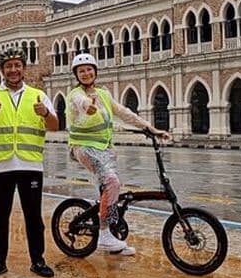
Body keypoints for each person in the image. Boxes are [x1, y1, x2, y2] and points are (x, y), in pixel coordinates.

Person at [67, 53, 170, 255]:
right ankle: (104, 235)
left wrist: (150, 128)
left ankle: (112, 235)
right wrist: (89, 106)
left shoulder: (104, 94)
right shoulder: (75, 95)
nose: (86, 73)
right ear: (76, 75)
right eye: (81, 71)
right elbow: (81, 103)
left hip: (105, 149)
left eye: (89, 69)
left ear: (95, 72)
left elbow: (125, 113)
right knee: (112, 182)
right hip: (83, 148)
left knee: (110, 191)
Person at [0, 47, 59, 278]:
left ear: (23, 68)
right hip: (1, 166)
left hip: (30, 165)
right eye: (8, 66)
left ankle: (38, 260)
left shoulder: (38, 96)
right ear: (2, 70)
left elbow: (54, 126)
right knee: (0, 216)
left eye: (17, 65)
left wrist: (45, 114)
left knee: (33, 216)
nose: (13, 70)